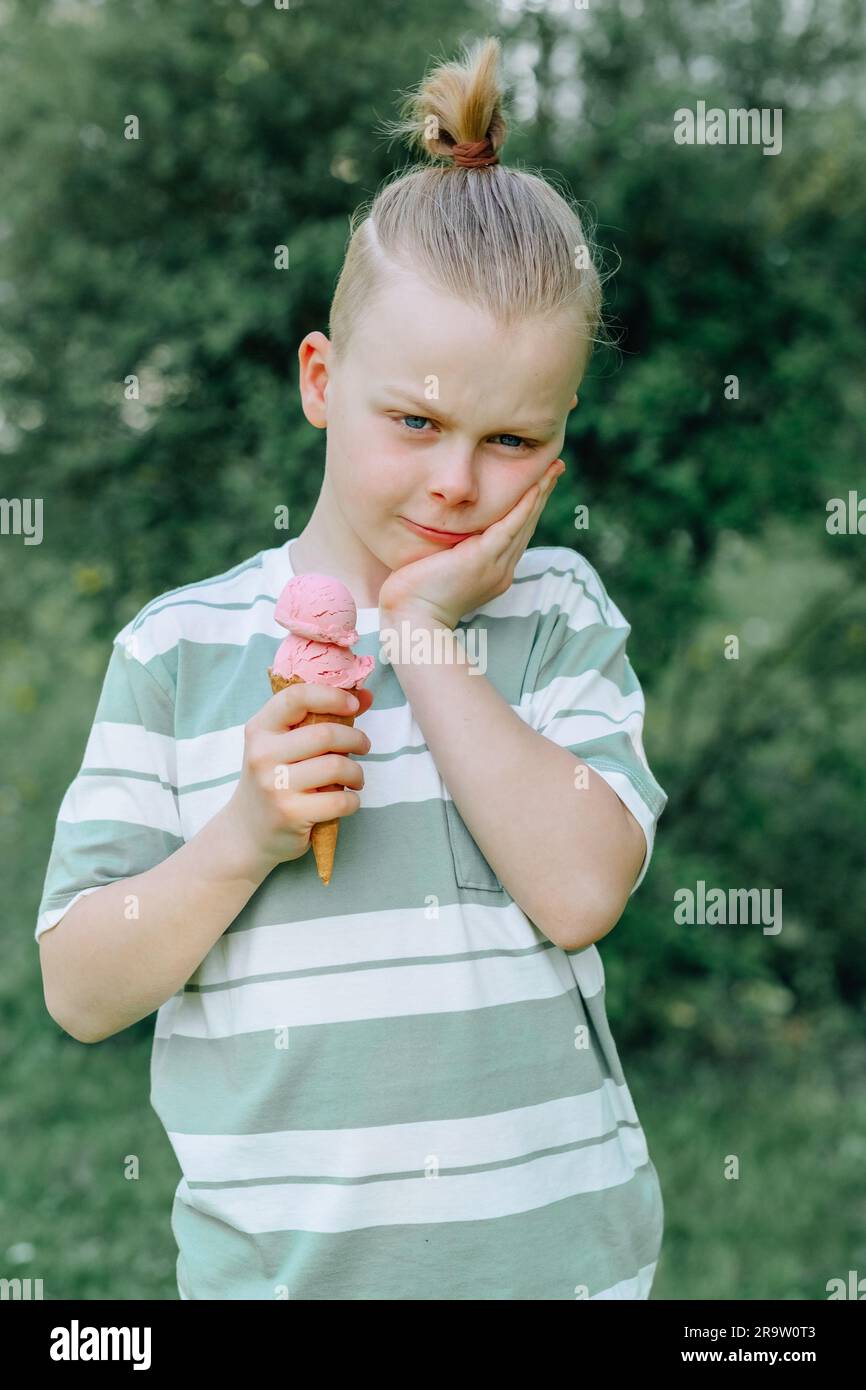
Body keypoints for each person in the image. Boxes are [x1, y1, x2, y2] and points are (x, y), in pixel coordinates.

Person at [35, 35, 668, 1300]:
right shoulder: (180, 649)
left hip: (554, 1273)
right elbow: (80, 987)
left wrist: (425, 635)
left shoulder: (555, 615)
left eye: (511, 439)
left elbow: (582, 888)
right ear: (324, 382)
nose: (454, 479)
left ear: (557, 446)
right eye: (416, 421)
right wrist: (243, 835)